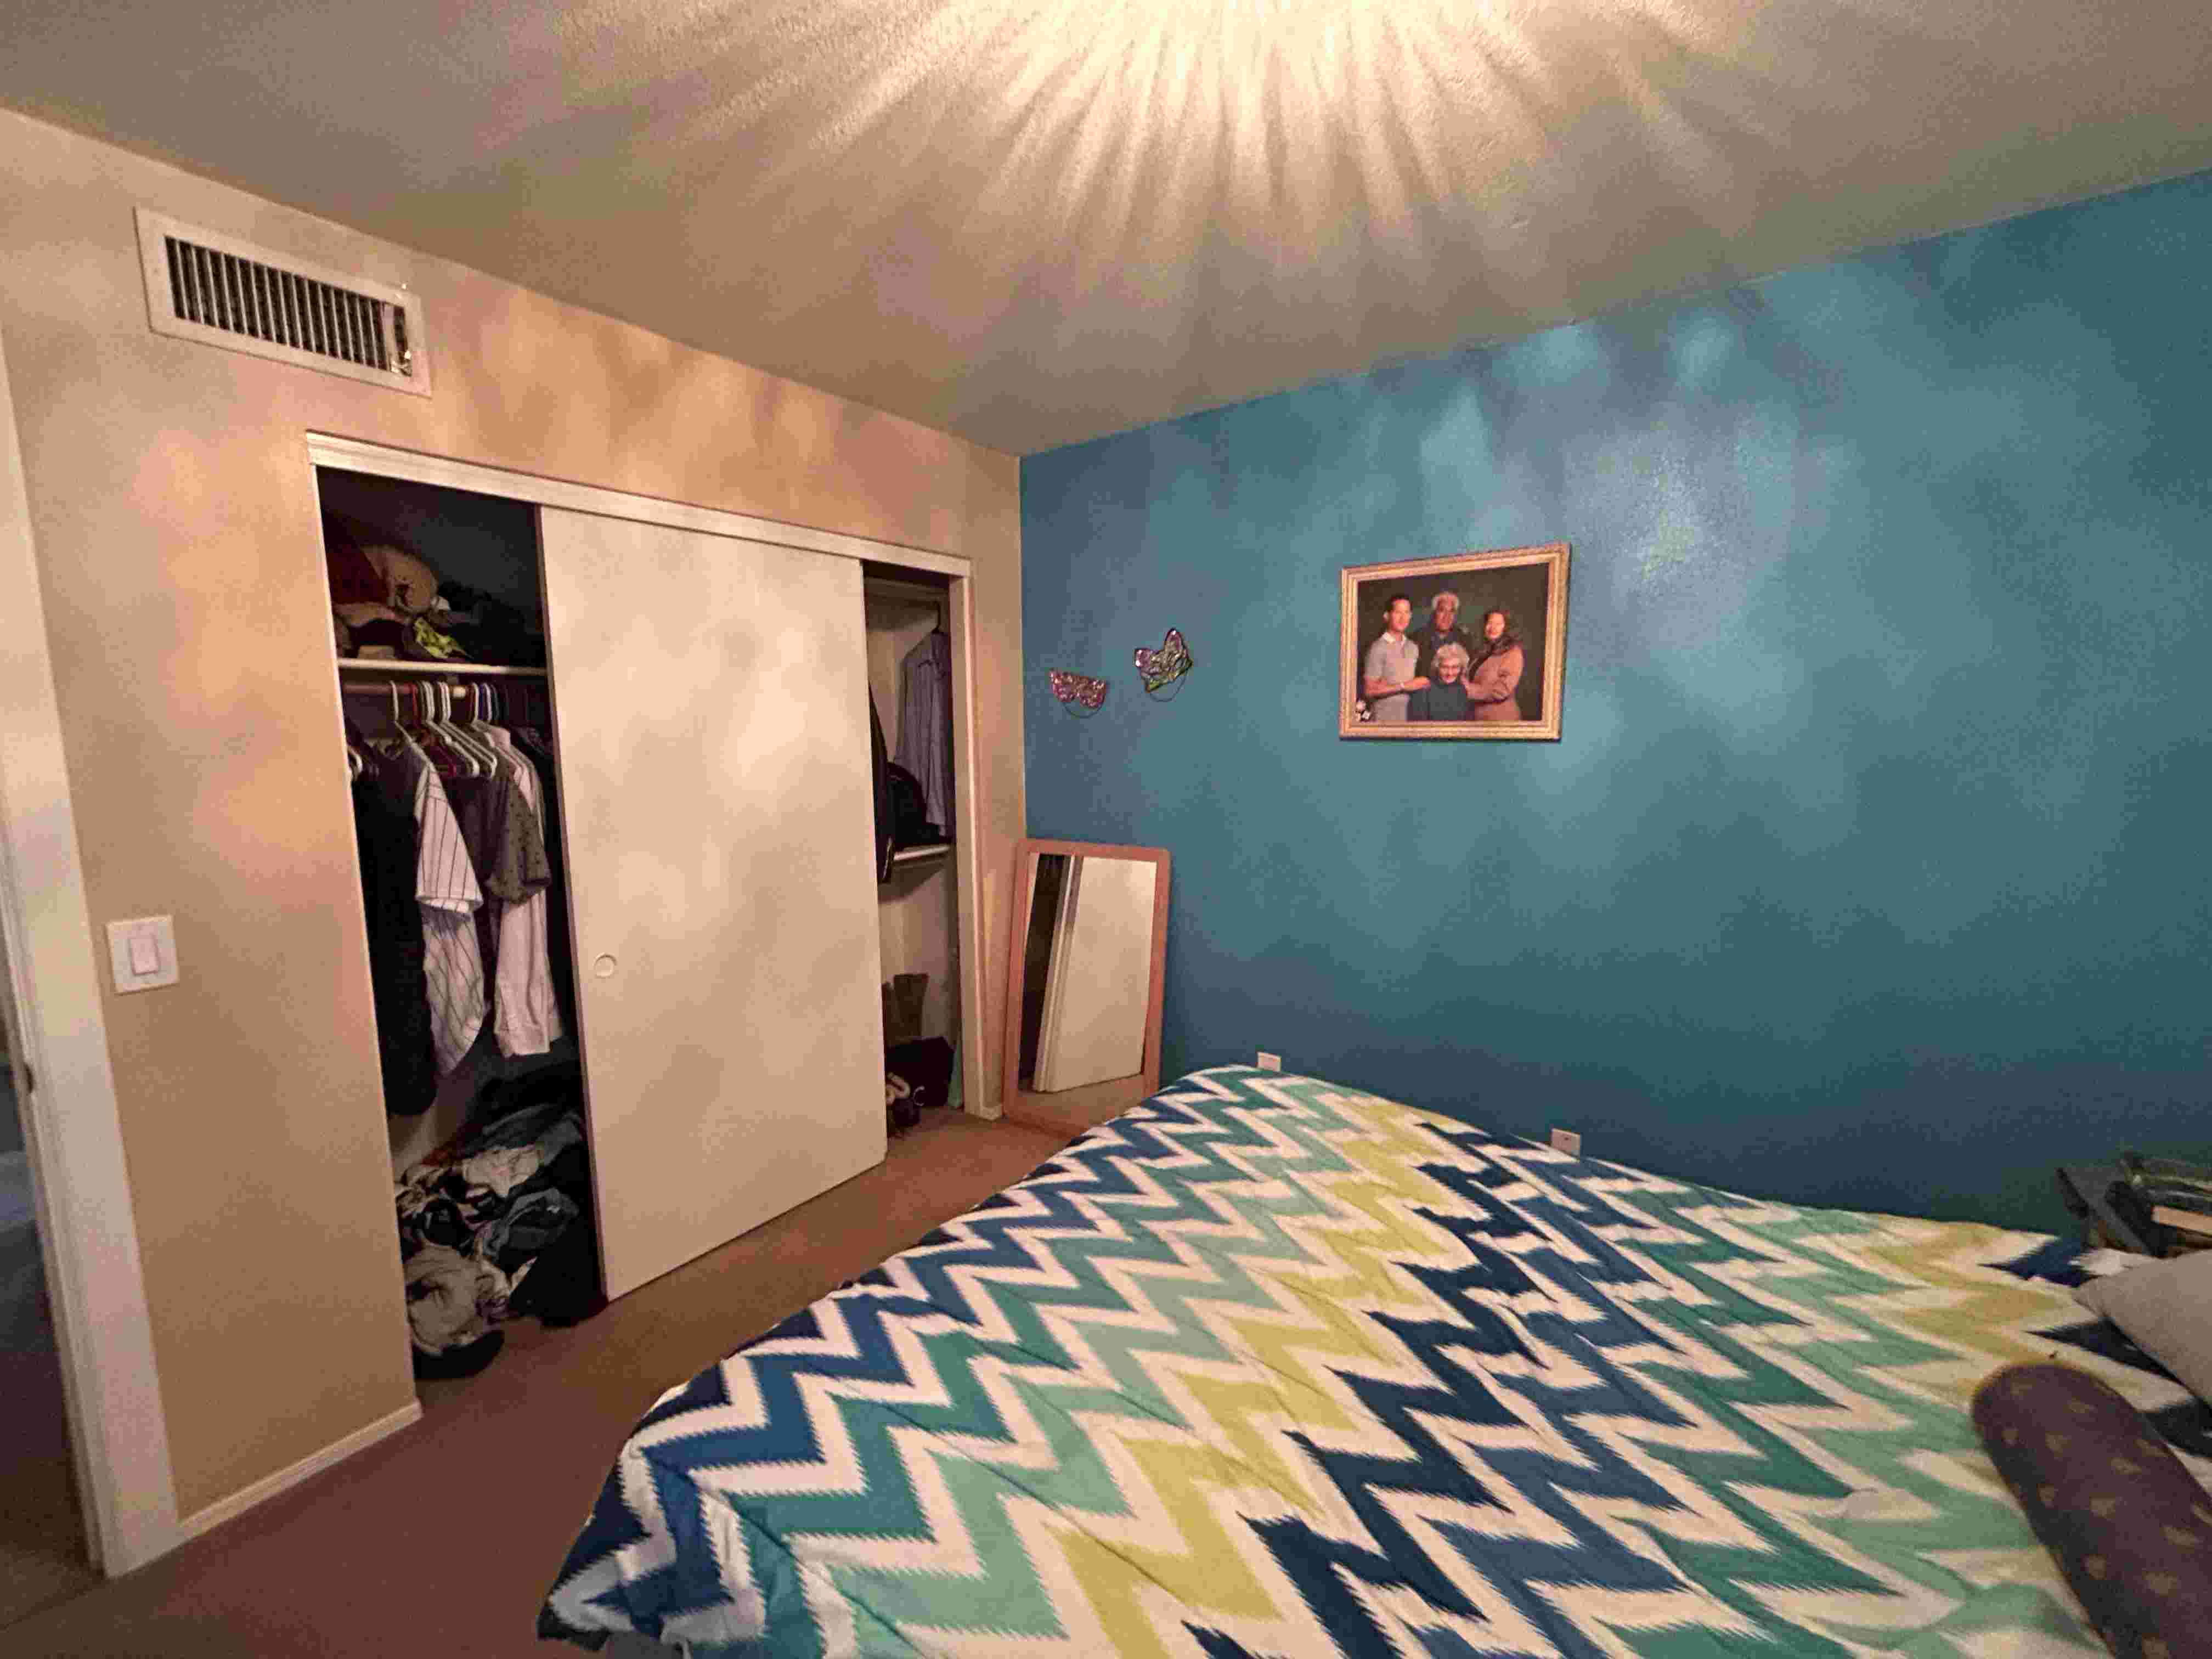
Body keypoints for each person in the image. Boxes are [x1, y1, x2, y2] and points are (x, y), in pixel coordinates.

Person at [1360, 593, 1424, 723]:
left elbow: (1421, 683)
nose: (1403, 618)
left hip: (1409, 718)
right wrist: (1403, 686)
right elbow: (1369, 691)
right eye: (1398, 612)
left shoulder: (1413, 647)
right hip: (1383, 719)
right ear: (1387, 616)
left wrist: (1388, 687)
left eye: (1407, 613)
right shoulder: (1377, 648)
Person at [1466, 607, 1525, 721]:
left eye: (1498, 624)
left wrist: (1469, 690)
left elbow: (1502, 691)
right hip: (1478, 719)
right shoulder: (1483, 652)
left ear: (1507, 628)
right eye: (1490, 623)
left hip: (1501, 719)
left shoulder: (1513, 652)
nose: (1493, 628)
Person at [1412, 590, 1473, 685]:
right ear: (1434, 613)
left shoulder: (1464, 639)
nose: (1447, 617)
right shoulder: (1418, 638)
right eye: (1442, 611)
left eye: (1451, 612)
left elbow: (1467, 673)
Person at [1404, 642, 1474, 720]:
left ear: (1462, 669)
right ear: (1437, 667)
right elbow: (1417, 726)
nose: (1450, 673)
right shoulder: (1423, 691)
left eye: (1455, 667)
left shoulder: (1465, 691)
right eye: (1445, 667)